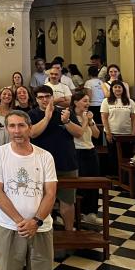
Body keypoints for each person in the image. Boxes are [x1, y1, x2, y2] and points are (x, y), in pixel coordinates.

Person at [0, 110, 57, 270]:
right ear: (6, 129)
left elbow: (50, 193)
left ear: (30, 128)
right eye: (12, 126)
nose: (17, 131)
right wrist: (21, 222)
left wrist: (36, 222)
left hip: (41, 227)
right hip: (10, 226)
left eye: (21, 125)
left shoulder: (45, 156)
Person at [29, 86, 81, 232]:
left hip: (66, 163)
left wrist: (67, 122)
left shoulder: (65, 112)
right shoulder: (31, 114)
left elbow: (79, 133)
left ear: (52, 97)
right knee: (44, 203)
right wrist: (47, 117)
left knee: (67, 202)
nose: (44, 100)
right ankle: (46, 232)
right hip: (41, 166)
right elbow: (32, 133)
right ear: (36, 99)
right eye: (41, 97)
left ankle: (69, 233)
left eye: (47, 96)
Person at [71, 91, 101, 225]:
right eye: (84, 101)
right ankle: (80, 212)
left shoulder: (87, 116)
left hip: (91, 151)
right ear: (76, 102)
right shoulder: (70, 116)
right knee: (81, 184)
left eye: (88, 101)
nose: (87, 104)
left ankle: (92, 212)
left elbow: (97, 135)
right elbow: (79, 134)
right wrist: (84, 121)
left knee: (94, 182)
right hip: (78, 152)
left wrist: (90, 121)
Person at [100, 80, 135, 176]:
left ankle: (126, 178)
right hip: (112, 133)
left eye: (120, 87)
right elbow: (104, 117)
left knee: (127, 156)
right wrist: (108, 132)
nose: (118, 89)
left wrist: (133, 133)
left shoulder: (130, 101)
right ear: (112, 89)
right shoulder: (106, 101)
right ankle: (114, 177)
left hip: (127, 134)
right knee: (113, 156)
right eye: (115, 87)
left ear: (123, 89)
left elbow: (134, 119)